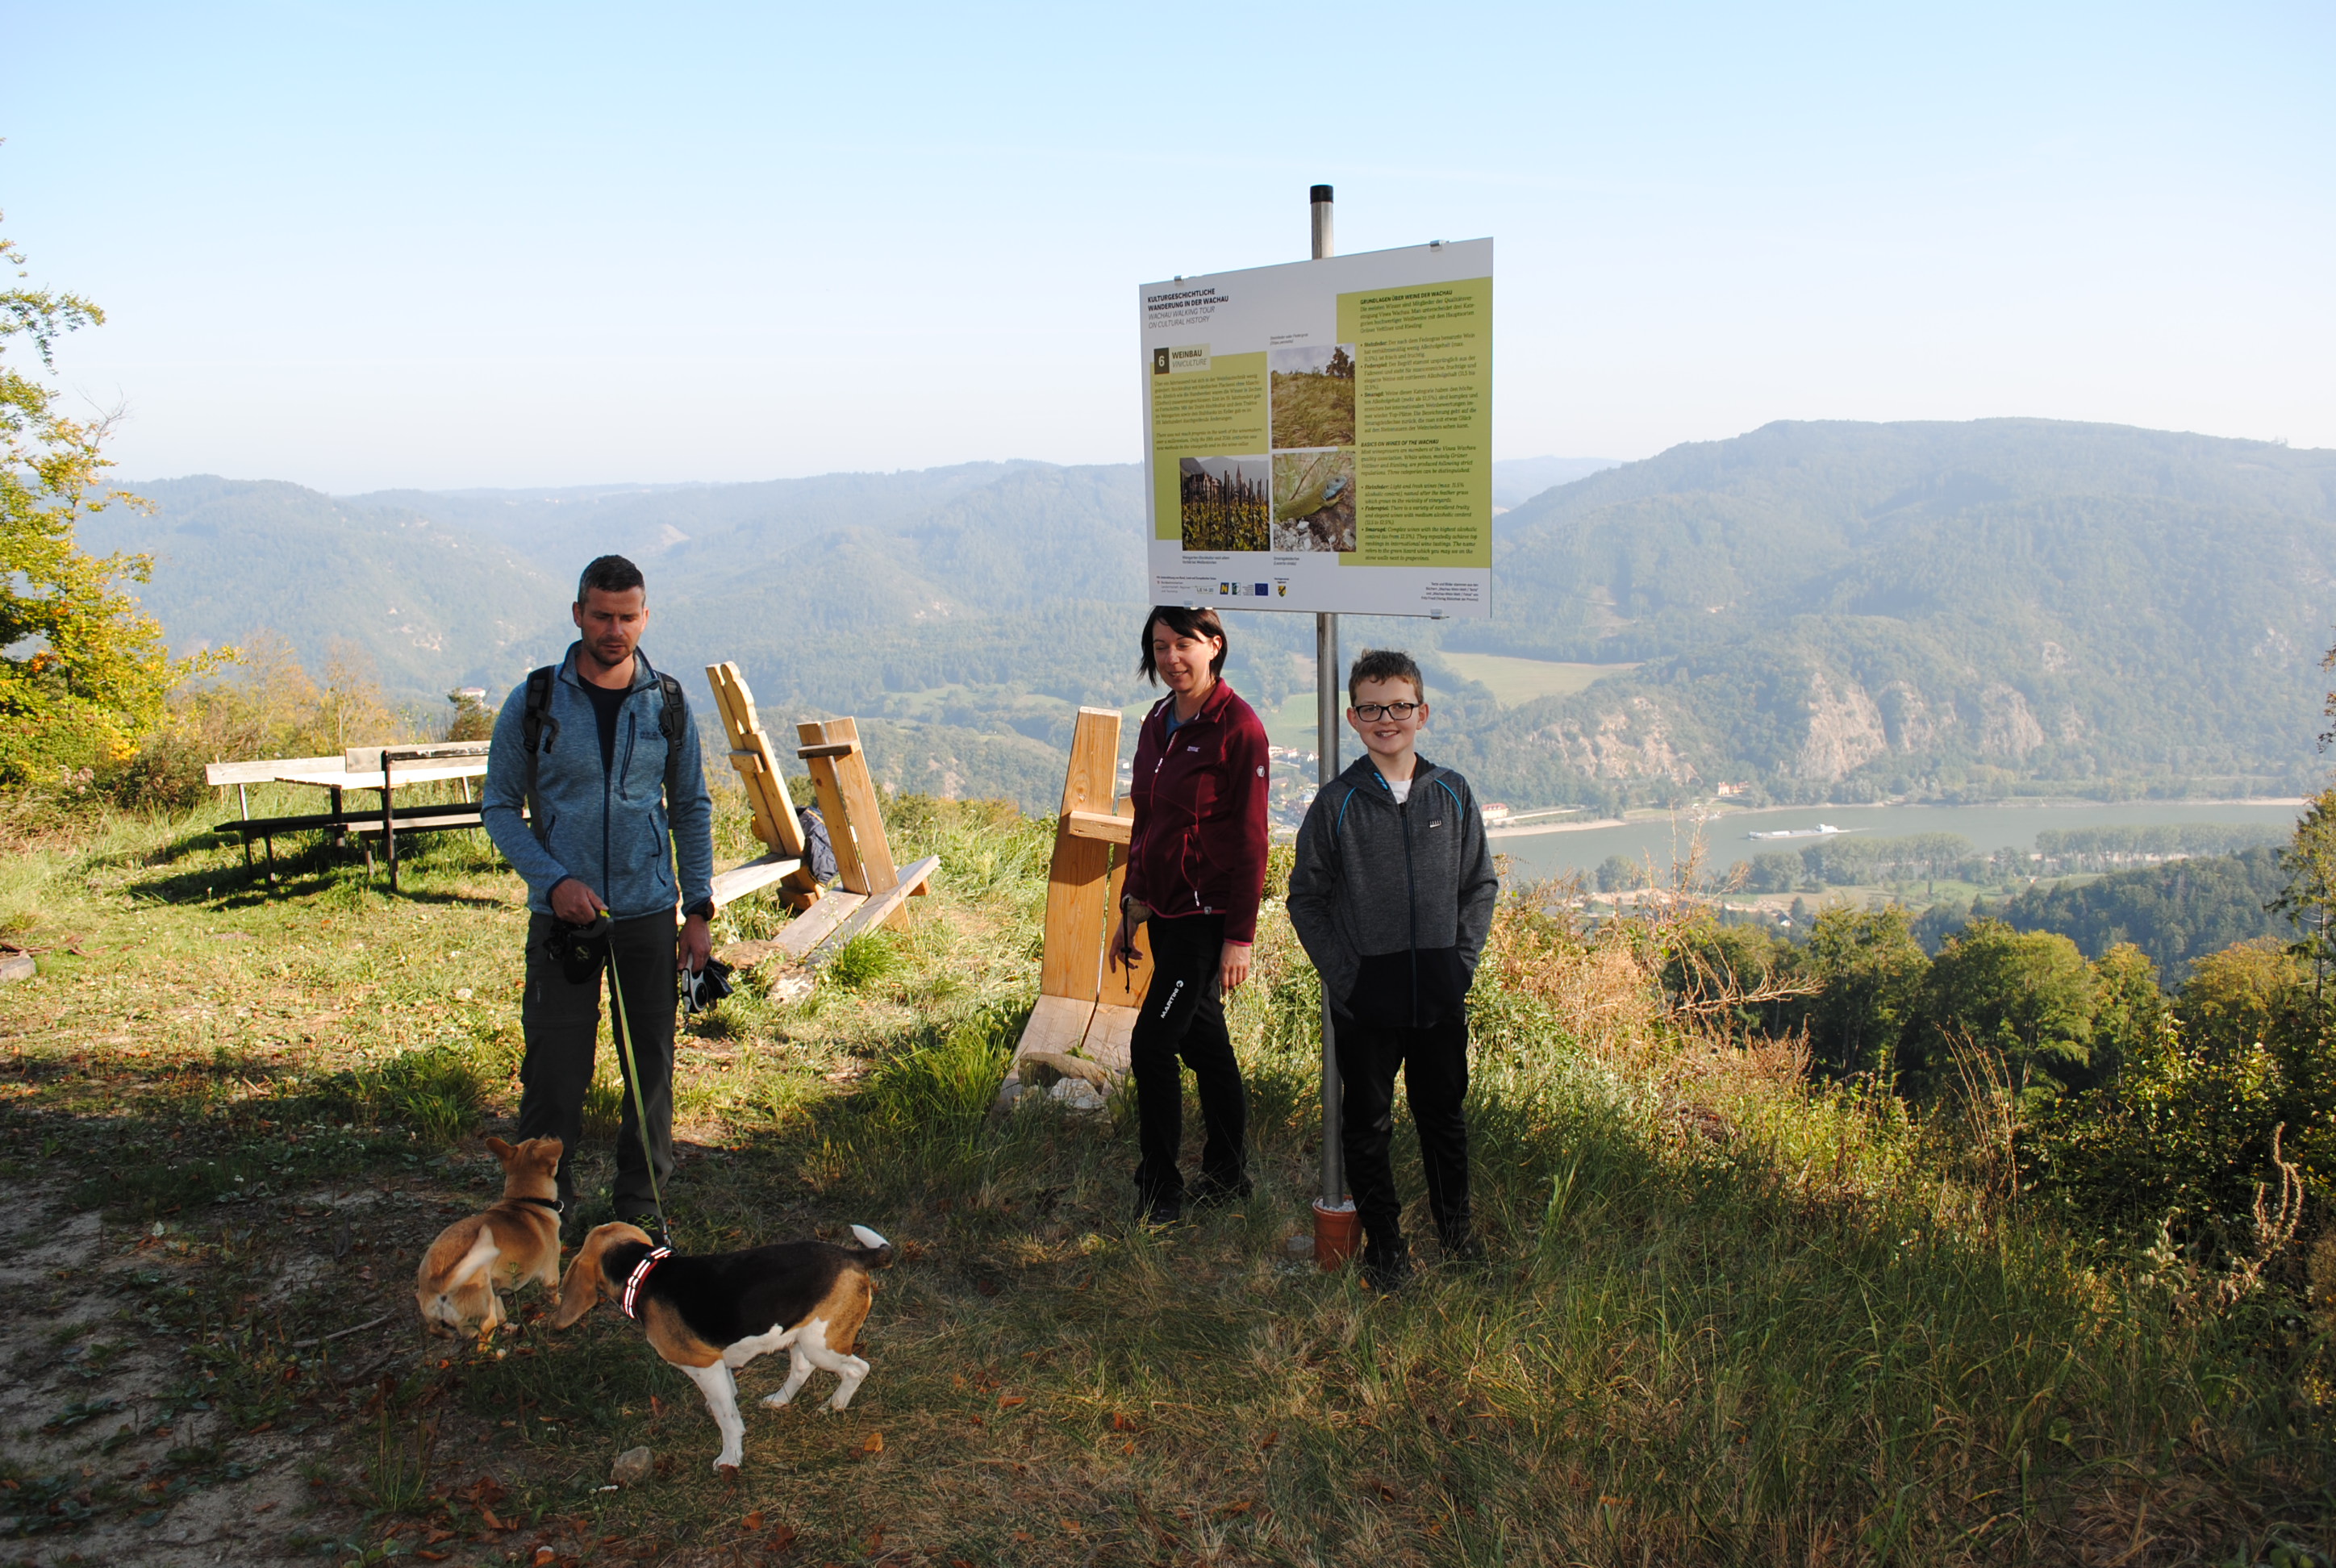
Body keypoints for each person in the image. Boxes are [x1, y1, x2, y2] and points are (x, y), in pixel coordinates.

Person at [480, 555, 715, 1239]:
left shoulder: (668, 702)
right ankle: (541, 1207)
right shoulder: (534, 700)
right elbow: (498, 808)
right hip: (563, 919)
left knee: (651, 1066)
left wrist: (698, 909)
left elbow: (691, 808)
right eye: (602, 616)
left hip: (648, 911)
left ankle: (641, 1206)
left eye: (627, 617)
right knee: (555, 1068)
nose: (615, 630)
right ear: (578, 614)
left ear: (646, 617)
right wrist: (553, 881)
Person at [1287, 648, 1499, 1290]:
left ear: (1422, 713)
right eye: (1373, 709)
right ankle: (1386, 1249)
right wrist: (1347, 979)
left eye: (1400, 707)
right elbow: (1306, 899)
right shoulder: (1337, 803)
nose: (1387, 720)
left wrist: (1459, 966)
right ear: (1353, 717)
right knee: (1368, 1126)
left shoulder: (1452, 792)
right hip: (1366, 1002)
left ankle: (1457, 1237)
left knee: (1444, 1119)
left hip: (1439, 995)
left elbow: (1479, 885)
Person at [1109, 606, 1271, 1224]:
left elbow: (1253, 840)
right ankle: (1228, 1177)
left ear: (1214, 646)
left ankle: (1160, 1192)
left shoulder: (1239, 728)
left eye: (1185, 643)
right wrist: (1134, 901)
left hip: (1208, 917)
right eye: (1160, 646)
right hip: (1166, 911)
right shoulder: (1158, 721)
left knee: (1153, 1044)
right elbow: (1148, 819)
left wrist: (1239, 938)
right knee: (1205, 1045)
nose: (1172, 658)